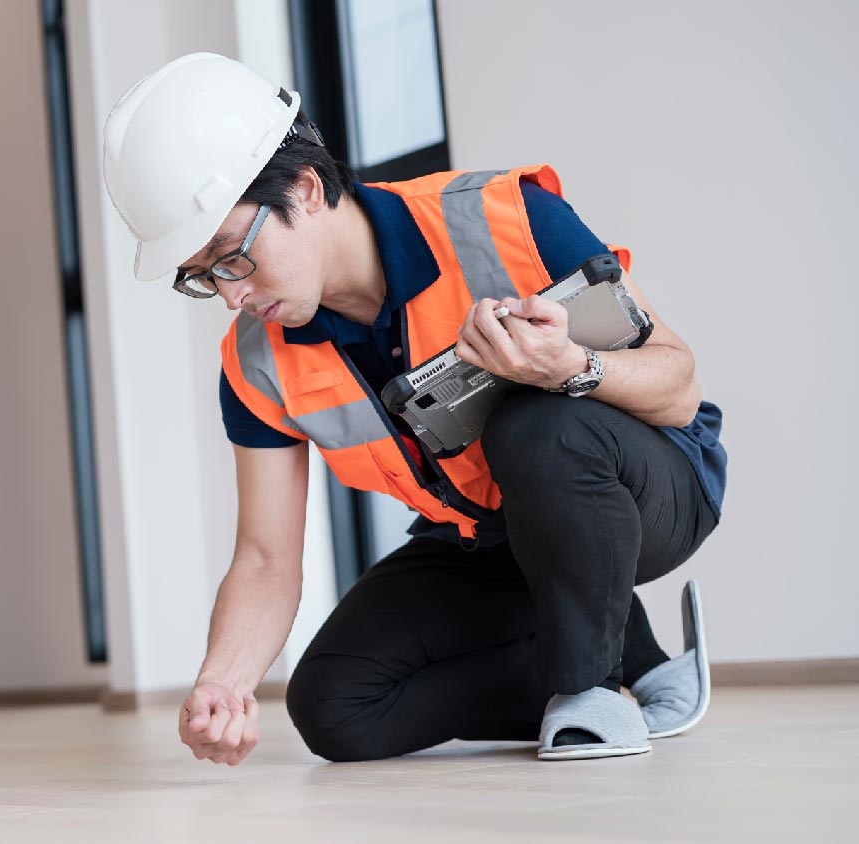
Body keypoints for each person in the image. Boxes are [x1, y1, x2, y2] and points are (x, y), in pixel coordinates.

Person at [101, 53, 727, 763]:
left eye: (230, 256)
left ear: (304, 189)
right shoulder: (257, 362)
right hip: (490, 537)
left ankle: (589, 691)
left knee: (537, 428)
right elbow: (266, 556)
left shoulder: (506, 220)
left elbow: (679, 387)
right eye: (203, 278)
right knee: (335, 707)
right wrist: (223, 682)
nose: (231, 295)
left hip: (648, 490)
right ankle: (631, 661)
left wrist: (571, 368)